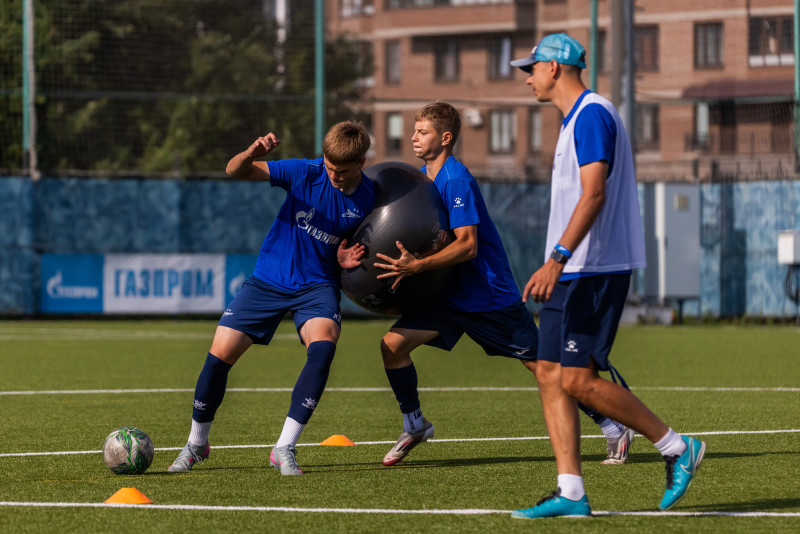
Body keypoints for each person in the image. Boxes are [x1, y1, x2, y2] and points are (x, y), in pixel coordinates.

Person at [372, 101, 633, 467]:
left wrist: (418, 266)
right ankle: (415, 424)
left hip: (487, 297)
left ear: (446, 138)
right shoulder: (423, 179)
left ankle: (613, 426)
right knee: (392, 347)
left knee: (545, 369)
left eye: (422, 132)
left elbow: (467, 245)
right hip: (447, 298)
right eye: (414, 131)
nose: (413, 137)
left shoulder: (455, 178)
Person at [509, 34, 706, 518]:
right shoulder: (574, 119)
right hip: (573, 268)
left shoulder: (592, 113)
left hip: (591, 269)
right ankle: (571, 491)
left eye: (531, 67)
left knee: (578, 380)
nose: (527, 77)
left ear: (555, 68)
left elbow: (593, 194)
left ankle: (677, 447)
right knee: (551, 375)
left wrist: (556, 258)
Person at [168, 121, 374, 476]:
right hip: (268, 280)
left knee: (323, 346)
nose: (333, 175)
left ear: (361, 163)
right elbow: (234, 171)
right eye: (329, 167)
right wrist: (250, 153)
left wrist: (343, 261)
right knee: (218, 356)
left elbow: (360, 245)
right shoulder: (304, 171)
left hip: (317, 285)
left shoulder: (370, 198)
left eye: (341, 171)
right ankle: (196, 443)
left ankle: (285, 447)